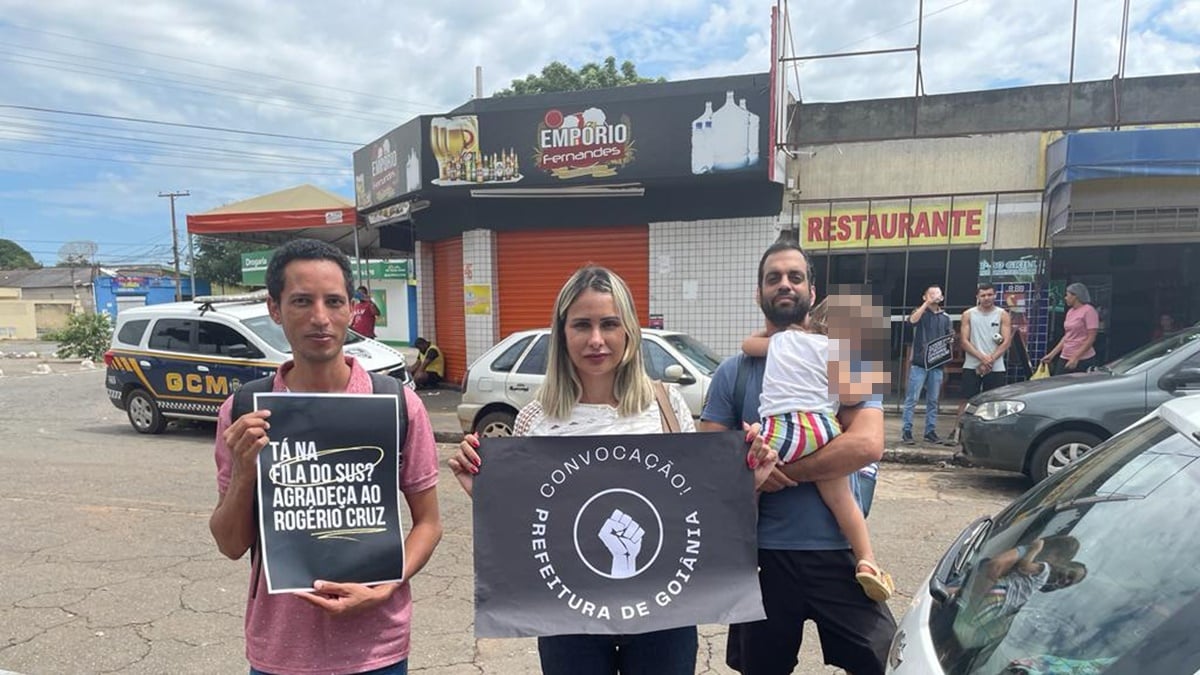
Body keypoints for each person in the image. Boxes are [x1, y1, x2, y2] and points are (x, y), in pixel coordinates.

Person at [448, 265, 774, 675]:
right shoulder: (537, 419)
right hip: (568, 613)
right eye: (582, 325)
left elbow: (694, 511)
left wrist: (747, 483)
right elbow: (529, 523)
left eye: (609, 324)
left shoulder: (666, 406)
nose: (596, 339)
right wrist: (486, 492)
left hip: (664, 609)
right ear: (562, 334)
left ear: (629, 332)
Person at [208, 239, 443, 675]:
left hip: (377, 647)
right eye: (301, 301)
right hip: (280, 651)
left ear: (351, 309)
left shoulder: (396, 404)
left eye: (334, 301)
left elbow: (428, 522)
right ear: (274, 309)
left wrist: (388, 584)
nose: (320, 318)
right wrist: (244, 471)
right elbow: (230, 545)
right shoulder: (244, 410)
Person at [701, 240, 895, 675]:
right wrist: (748, 464)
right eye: (773, 278)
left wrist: (781, 471)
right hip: (763, 558)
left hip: (837, 554)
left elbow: (866, 445)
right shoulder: (733, 371)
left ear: (811, 289)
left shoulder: (846, 359)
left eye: (795, 276)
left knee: (886, 661)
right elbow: (710, 460)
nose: (784, 284)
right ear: (758, 293)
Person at [741, 290, 894, 602]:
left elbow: (748, 345)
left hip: (778, 429)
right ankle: (867, 560)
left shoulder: (783, 341)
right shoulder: (840, 355)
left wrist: (785, 331)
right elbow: (852, 398)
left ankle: (744, 556)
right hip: (819, 429)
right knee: (842, 500)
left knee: (752, 486)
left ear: (812, 319)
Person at [950, 283, 1012, 444]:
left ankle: (994, 435)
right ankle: (958, 432)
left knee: (995, 402)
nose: (986, 298)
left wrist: (990, 358)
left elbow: (1005, 342)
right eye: (983, 295)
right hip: (972, 364)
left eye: (989, 294)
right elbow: (964, 340)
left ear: (995, 295)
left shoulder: (1002, 314)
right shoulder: (968, 314)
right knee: (966, 400)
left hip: (996, 365)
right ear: (977, 297)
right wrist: (981, 358)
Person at [902, 284, 953, 445]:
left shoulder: (945, 318)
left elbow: (949, 336)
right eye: (930, 294)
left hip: (937, 364)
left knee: (933, 400)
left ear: (942, 297)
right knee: (912, 399)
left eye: (937, 294)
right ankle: (907, 431)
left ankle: (930, 431)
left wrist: (951, 340)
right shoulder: (921, 313)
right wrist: (925, 304)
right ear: (924, 297)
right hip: (919, 363)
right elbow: (911, 321)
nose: (934, 296)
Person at [1040, 282, 1099, 375]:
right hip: (1065, 356)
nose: (1065, 298)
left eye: (1067, 295)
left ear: (1075, 296)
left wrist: (1076, 357)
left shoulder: (1089, 311)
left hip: (1083, 358)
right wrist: (1052, 355)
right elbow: (1067, 336)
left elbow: (1091, 338)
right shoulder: (1070, 312)